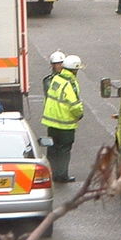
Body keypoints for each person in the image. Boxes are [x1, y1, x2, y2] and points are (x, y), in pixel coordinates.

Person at [42, 53, 84, 182]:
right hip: (65, 124)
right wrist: (80, 114)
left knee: (53, 149)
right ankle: (62, 175)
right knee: (64, 150)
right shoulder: (70, 83)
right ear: (74, 70)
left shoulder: (56, 79)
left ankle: (51, 173)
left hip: (51, 122)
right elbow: (74, 105)